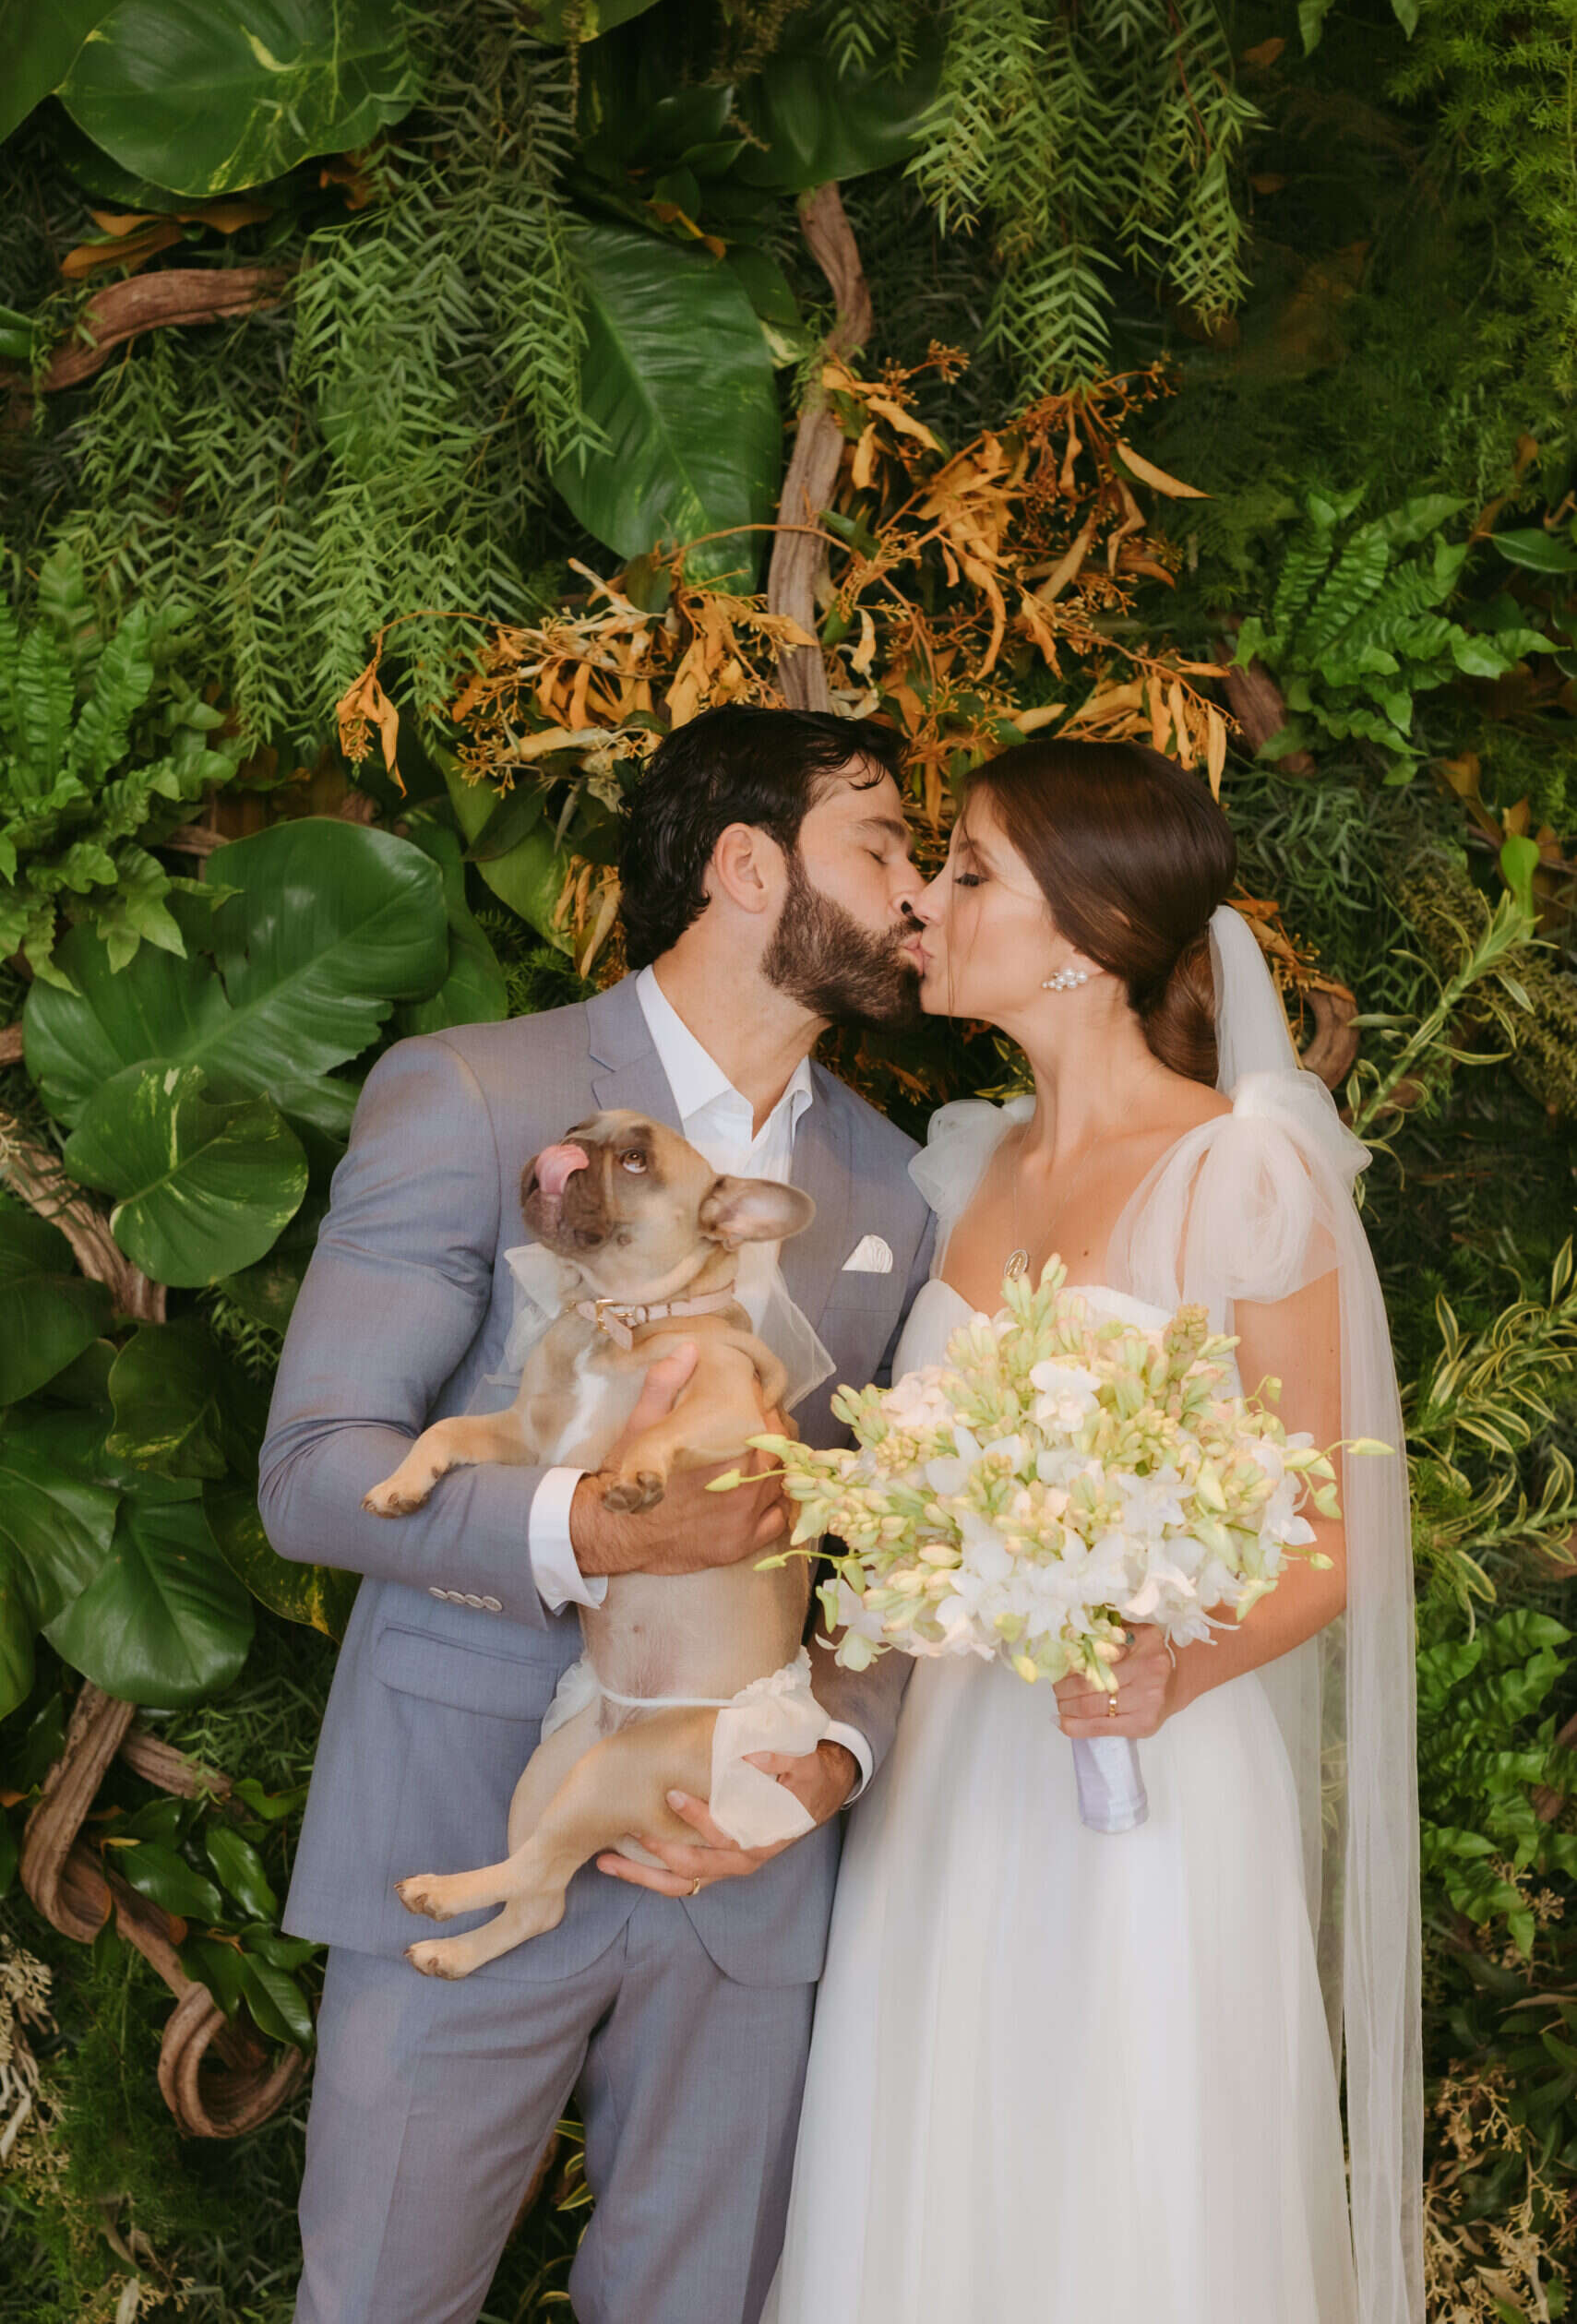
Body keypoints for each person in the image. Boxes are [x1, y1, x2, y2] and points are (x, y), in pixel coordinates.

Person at [258, 708, 935, 2324]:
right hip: (460, 1820)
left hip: (738, 1867)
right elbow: (317, 1471)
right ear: (748, 867)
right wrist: (605, 1533)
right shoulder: (476, 1094)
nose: (918, 893)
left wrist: (834, 1756)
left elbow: (903, 1540)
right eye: (884, 847)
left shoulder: (897, 1186)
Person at [767, 738, 1422, 2324]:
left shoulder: (1237, 1171)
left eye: (968, 872)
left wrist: (1163, 1671)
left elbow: (1329, 1535)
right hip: (945, 1770)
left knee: (1119, 2178)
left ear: (1085, 935)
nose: (923, 901)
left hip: (1144, 1775)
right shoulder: (965, 1162)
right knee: (936, 2166)